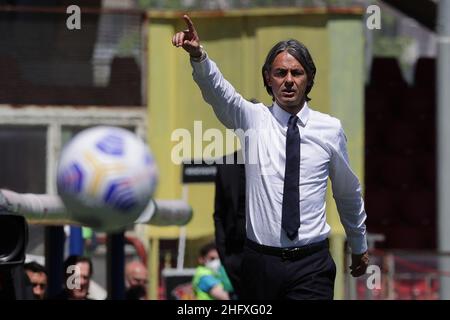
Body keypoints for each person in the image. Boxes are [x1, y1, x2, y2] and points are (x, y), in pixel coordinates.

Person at [172, 15, 369, 300]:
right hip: (259, 265)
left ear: (309, 78)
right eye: (280, 73)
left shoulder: (330, 129)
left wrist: (358, 244)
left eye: (297, 73)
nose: (288, 80)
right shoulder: (252, 119)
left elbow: (347, 192)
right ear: (268, 77)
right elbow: (219, 93)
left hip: (311, 265)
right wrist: (199, 57)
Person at [213, 150, 245, 298]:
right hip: (236, 256)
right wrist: (225, 257)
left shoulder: (276, 160)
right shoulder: (227, 163)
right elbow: (219, 214)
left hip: (270, 255)